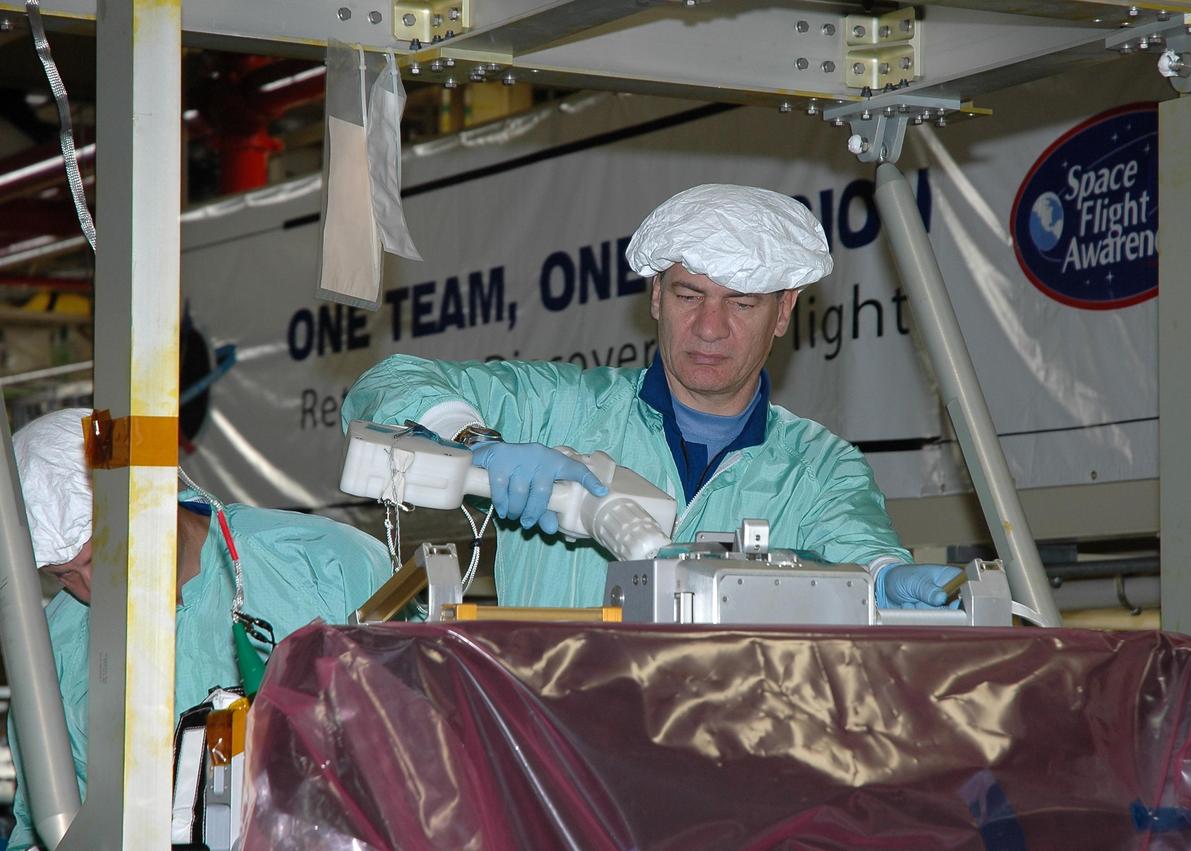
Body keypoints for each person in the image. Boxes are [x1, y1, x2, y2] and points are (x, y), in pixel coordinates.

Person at [342, 184, 961, 609]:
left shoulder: (819, 469)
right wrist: (478, 443)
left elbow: (861, 552)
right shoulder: (562, 408)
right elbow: (382, 386)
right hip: (544, 757)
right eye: (690, 296)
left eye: (742, 303)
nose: (711, 328)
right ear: (656, 297)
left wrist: (886, 581)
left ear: (783, 312)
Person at [5, 407, 392, 851]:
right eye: (65, 575)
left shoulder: (323, 564)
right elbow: (43, 823)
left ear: (147, 501)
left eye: (98, 558)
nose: (94, 589)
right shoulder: (51, 651)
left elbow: (414, 747)